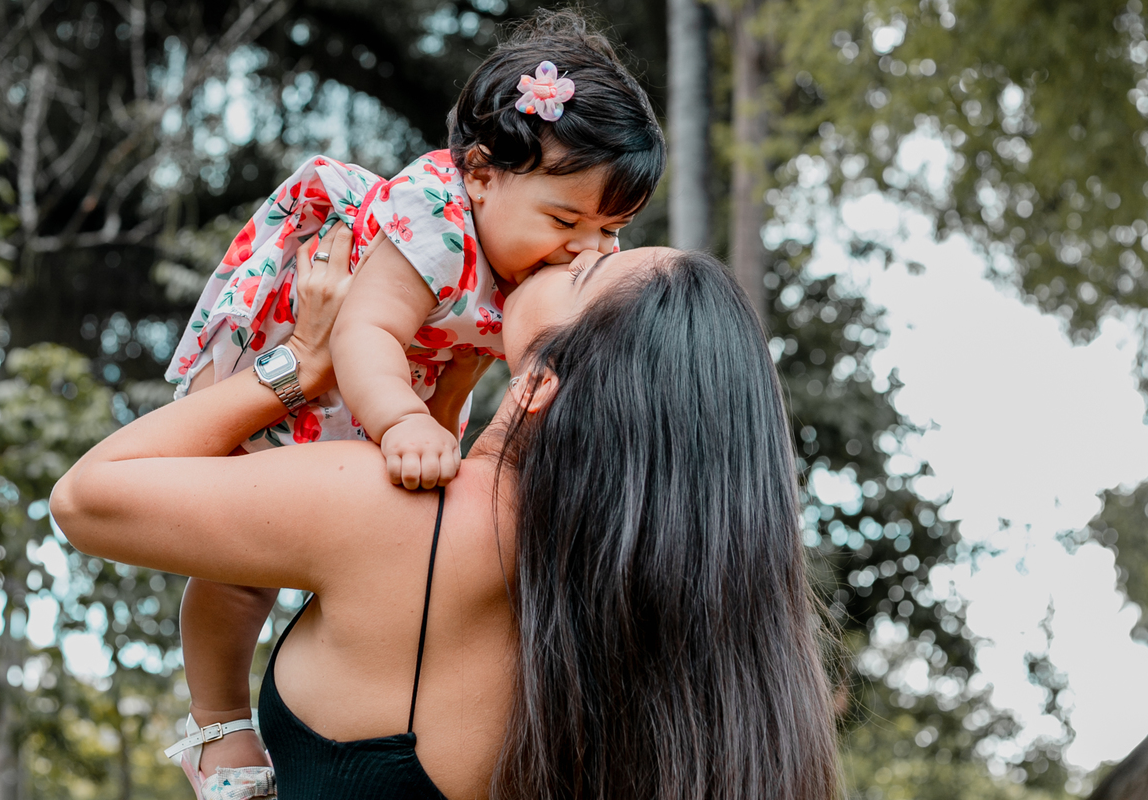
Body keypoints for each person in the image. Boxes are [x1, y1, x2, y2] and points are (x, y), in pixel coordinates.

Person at [51, 242, 842, 800]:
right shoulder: (663, 656)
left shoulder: (402, 516)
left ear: (539, 388)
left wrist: (301, 362)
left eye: (588, 267)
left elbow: (89, 497)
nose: (570, 248)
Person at [163, 13, 665, 791]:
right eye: (565, 221)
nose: (586, 249)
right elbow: (363, 333)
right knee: (241, 571)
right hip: (305, 353)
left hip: (401, 388)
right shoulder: (431, 220)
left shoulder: (561, 251)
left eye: (611, 229)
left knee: (355, 548)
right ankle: (217, 722)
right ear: (480, 173)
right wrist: (400, 420)